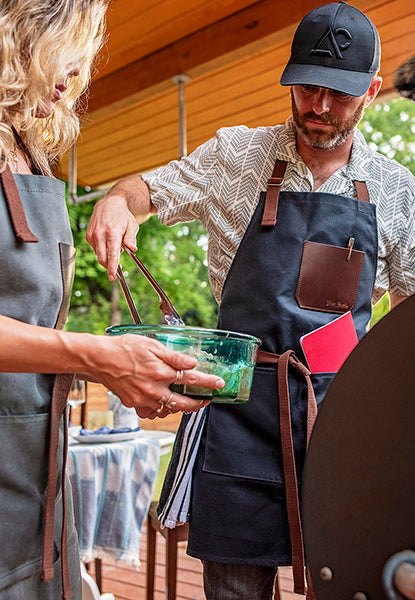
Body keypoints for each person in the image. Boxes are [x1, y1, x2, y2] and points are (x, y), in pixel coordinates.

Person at [86, 2, 415, 598]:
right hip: (238, 413)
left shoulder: (396, 190)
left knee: (349, 582)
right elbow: (141, 190)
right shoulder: (237, 157)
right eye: (306, 89)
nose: (319, 107)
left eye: (339, 93)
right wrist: (118, 204)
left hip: (340, 421)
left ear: (373, 91)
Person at [0, 1, 224, 598]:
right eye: (63, 52)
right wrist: (99, 357)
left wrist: (121, 364)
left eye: (82, 58)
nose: (74, 78)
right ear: (17, 39)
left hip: (38, 472)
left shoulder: (31, 152)